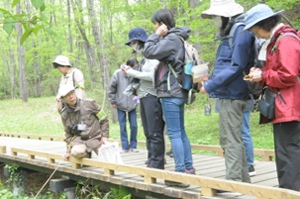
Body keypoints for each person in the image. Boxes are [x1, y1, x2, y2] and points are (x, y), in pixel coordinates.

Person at [244, 4, 300, 191]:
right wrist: (261, 73)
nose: (255, 34)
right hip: (285, 106)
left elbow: (289, 75)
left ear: (265, 24)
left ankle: (290, 193)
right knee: (287, 153)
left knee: (288, 154)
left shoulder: (285, 40)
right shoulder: (275, 41)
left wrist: (263, 75)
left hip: (291, 107)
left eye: (255, 29)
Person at [200, 0, 254, 191]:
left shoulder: (239, 31)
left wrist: (210, 84)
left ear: (225, 16)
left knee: (229, 139)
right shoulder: (234, 31)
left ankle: (232, 183)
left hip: (234, 94)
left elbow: (237, 66)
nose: (214, 20)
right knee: (231, 137)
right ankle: (242, 181)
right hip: (229, 93)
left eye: (216, 16)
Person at [143, 8, 195, 187]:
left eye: (156, 24)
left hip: (171, 92)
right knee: (180, 131)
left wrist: (154, 35)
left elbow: (148, 52)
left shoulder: (171, 39)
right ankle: (188, 168)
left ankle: (180, 173)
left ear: (162, 24)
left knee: (174, 133)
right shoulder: (178, 39)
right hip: (179, 91)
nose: (155, 27)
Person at [121, 27, 165, 170]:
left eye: (134, 42)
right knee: (147, 131)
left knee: (154, 131)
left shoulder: (153, 55)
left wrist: (132, 72)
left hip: (152, 96)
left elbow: (153, 77)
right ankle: (151, 158)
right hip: (143, 97)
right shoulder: (145, 56)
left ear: (140, 40)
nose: (133, 45)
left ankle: (157, 162)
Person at [60, 84, 109, 160]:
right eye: (67, 96)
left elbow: (104, 118)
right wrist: (68, 151)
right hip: (80, 140)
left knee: (108, 158)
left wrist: (105, 136)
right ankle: (87, 155)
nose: (71, 97)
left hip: (96, 138)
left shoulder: (89, 103)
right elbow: (68, 133)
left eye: (72, 93)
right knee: (75, 152)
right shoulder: (64, 114)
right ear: (62, 99)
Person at [215, 98, 256, 176]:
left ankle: (247, 165)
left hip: (233, 100)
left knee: (240, 132)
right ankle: (247, 165)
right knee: (244, 132)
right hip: (243, 99)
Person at [108, 61, 138, 153]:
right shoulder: (117, 74)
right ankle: (125, 146)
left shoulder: (135, 74)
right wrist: (113, 101)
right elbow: (111, 89)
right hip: (120, 103)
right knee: (122, 125)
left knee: (134, 125)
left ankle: (133, 145)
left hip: (132, 103)